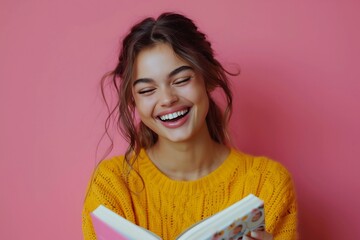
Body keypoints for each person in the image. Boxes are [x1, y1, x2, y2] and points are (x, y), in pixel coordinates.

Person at [82, 12, 297, 240]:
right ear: (133, 100)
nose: (167, 99)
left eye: (181, 80)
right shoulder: (113, 185)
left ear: (209, 77)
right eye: (147, 90)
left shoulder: (268, 184)